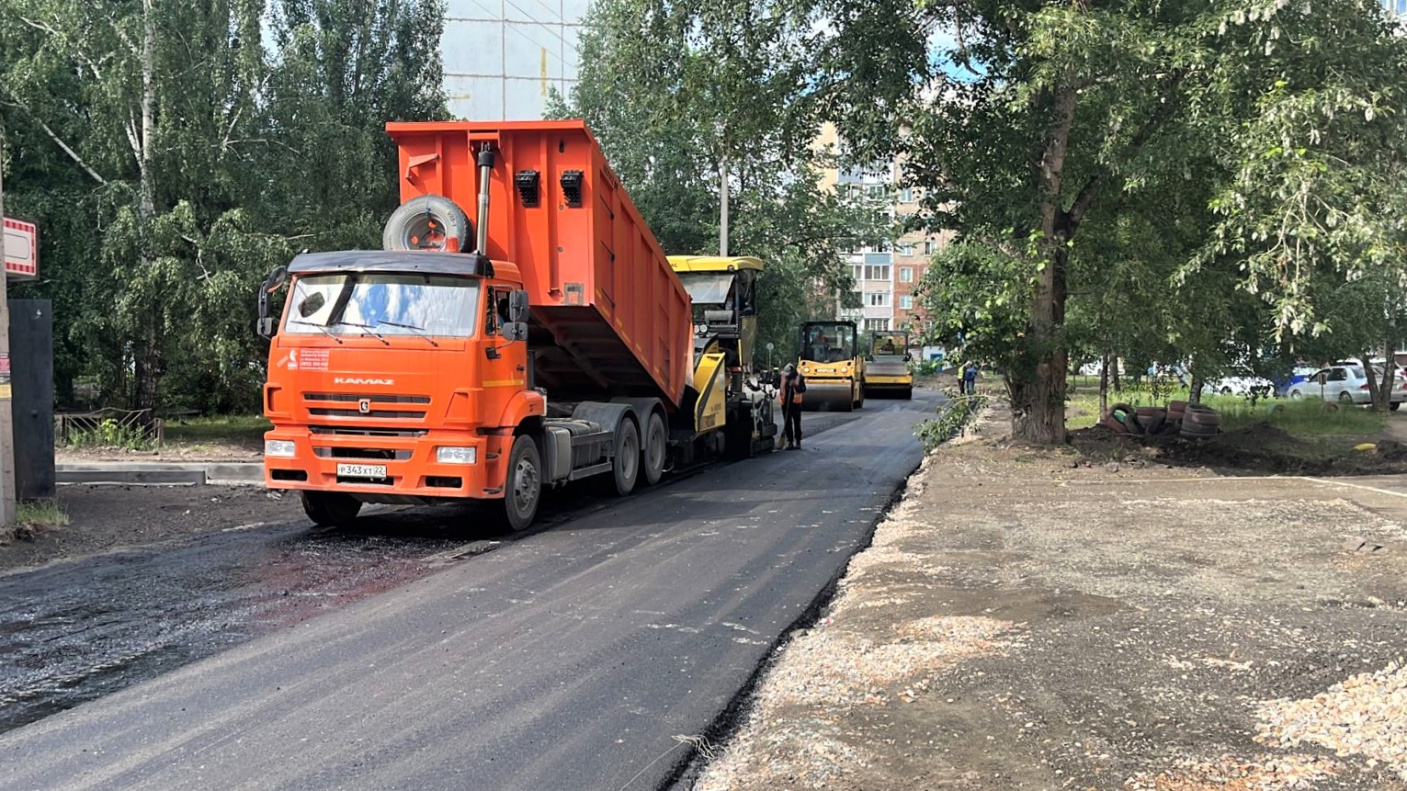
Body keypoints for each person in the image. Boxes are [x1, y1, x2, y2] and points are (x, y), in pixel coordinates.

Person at [778, 363, 806, 450]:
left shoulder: (799, 377)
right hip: (785, 403)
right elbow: (778, 385)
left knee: (797, 423)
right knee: (787, 422)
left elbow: (803, 389)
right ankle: (790, 441)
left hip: (795, 403)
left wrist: (795, 385)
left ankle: (798, 441)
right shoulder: (782, 376)